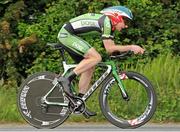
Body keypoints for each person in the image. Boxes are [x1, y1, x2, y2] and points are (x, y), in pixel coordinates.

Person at [57, 6, 145, 118]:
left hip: (71, 35)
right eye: (125, 21)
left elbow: (112, 49)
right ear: (116, 17)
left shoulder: (110, 27)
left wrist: (122, 51)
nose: (126, 25)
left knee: (90, 65)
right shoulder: (106, 22)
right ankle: (66, 79)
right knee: (96, 57)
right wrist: (131, 47)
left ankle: (78, 103)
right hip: (67, 35)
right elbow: (109, 48)